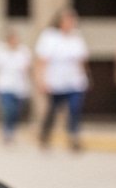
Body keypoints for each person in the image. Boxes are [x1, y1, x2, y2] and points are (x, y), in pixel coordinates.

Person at [36, 8, 89, 152]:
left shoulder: (77, 37)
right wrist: (41, 81)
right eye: (67, 19)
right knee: (52, 111)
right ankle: (45, 135)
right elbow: (42, 61)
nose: (70, 23)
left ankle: (74, 137)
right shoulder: (49, 37)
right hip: (55, 81)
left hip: (74, 81)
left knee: (74, 109)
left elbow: (81, 60)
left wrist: (85, 77)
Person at [0, 29, 33, 145]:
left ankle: (11, 130)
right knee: (8, 109)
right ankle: (7, 132)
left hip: (19, 87)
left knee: (16, 111)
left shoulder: (24, 51)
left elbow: (27, 69)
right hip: (4, 85)